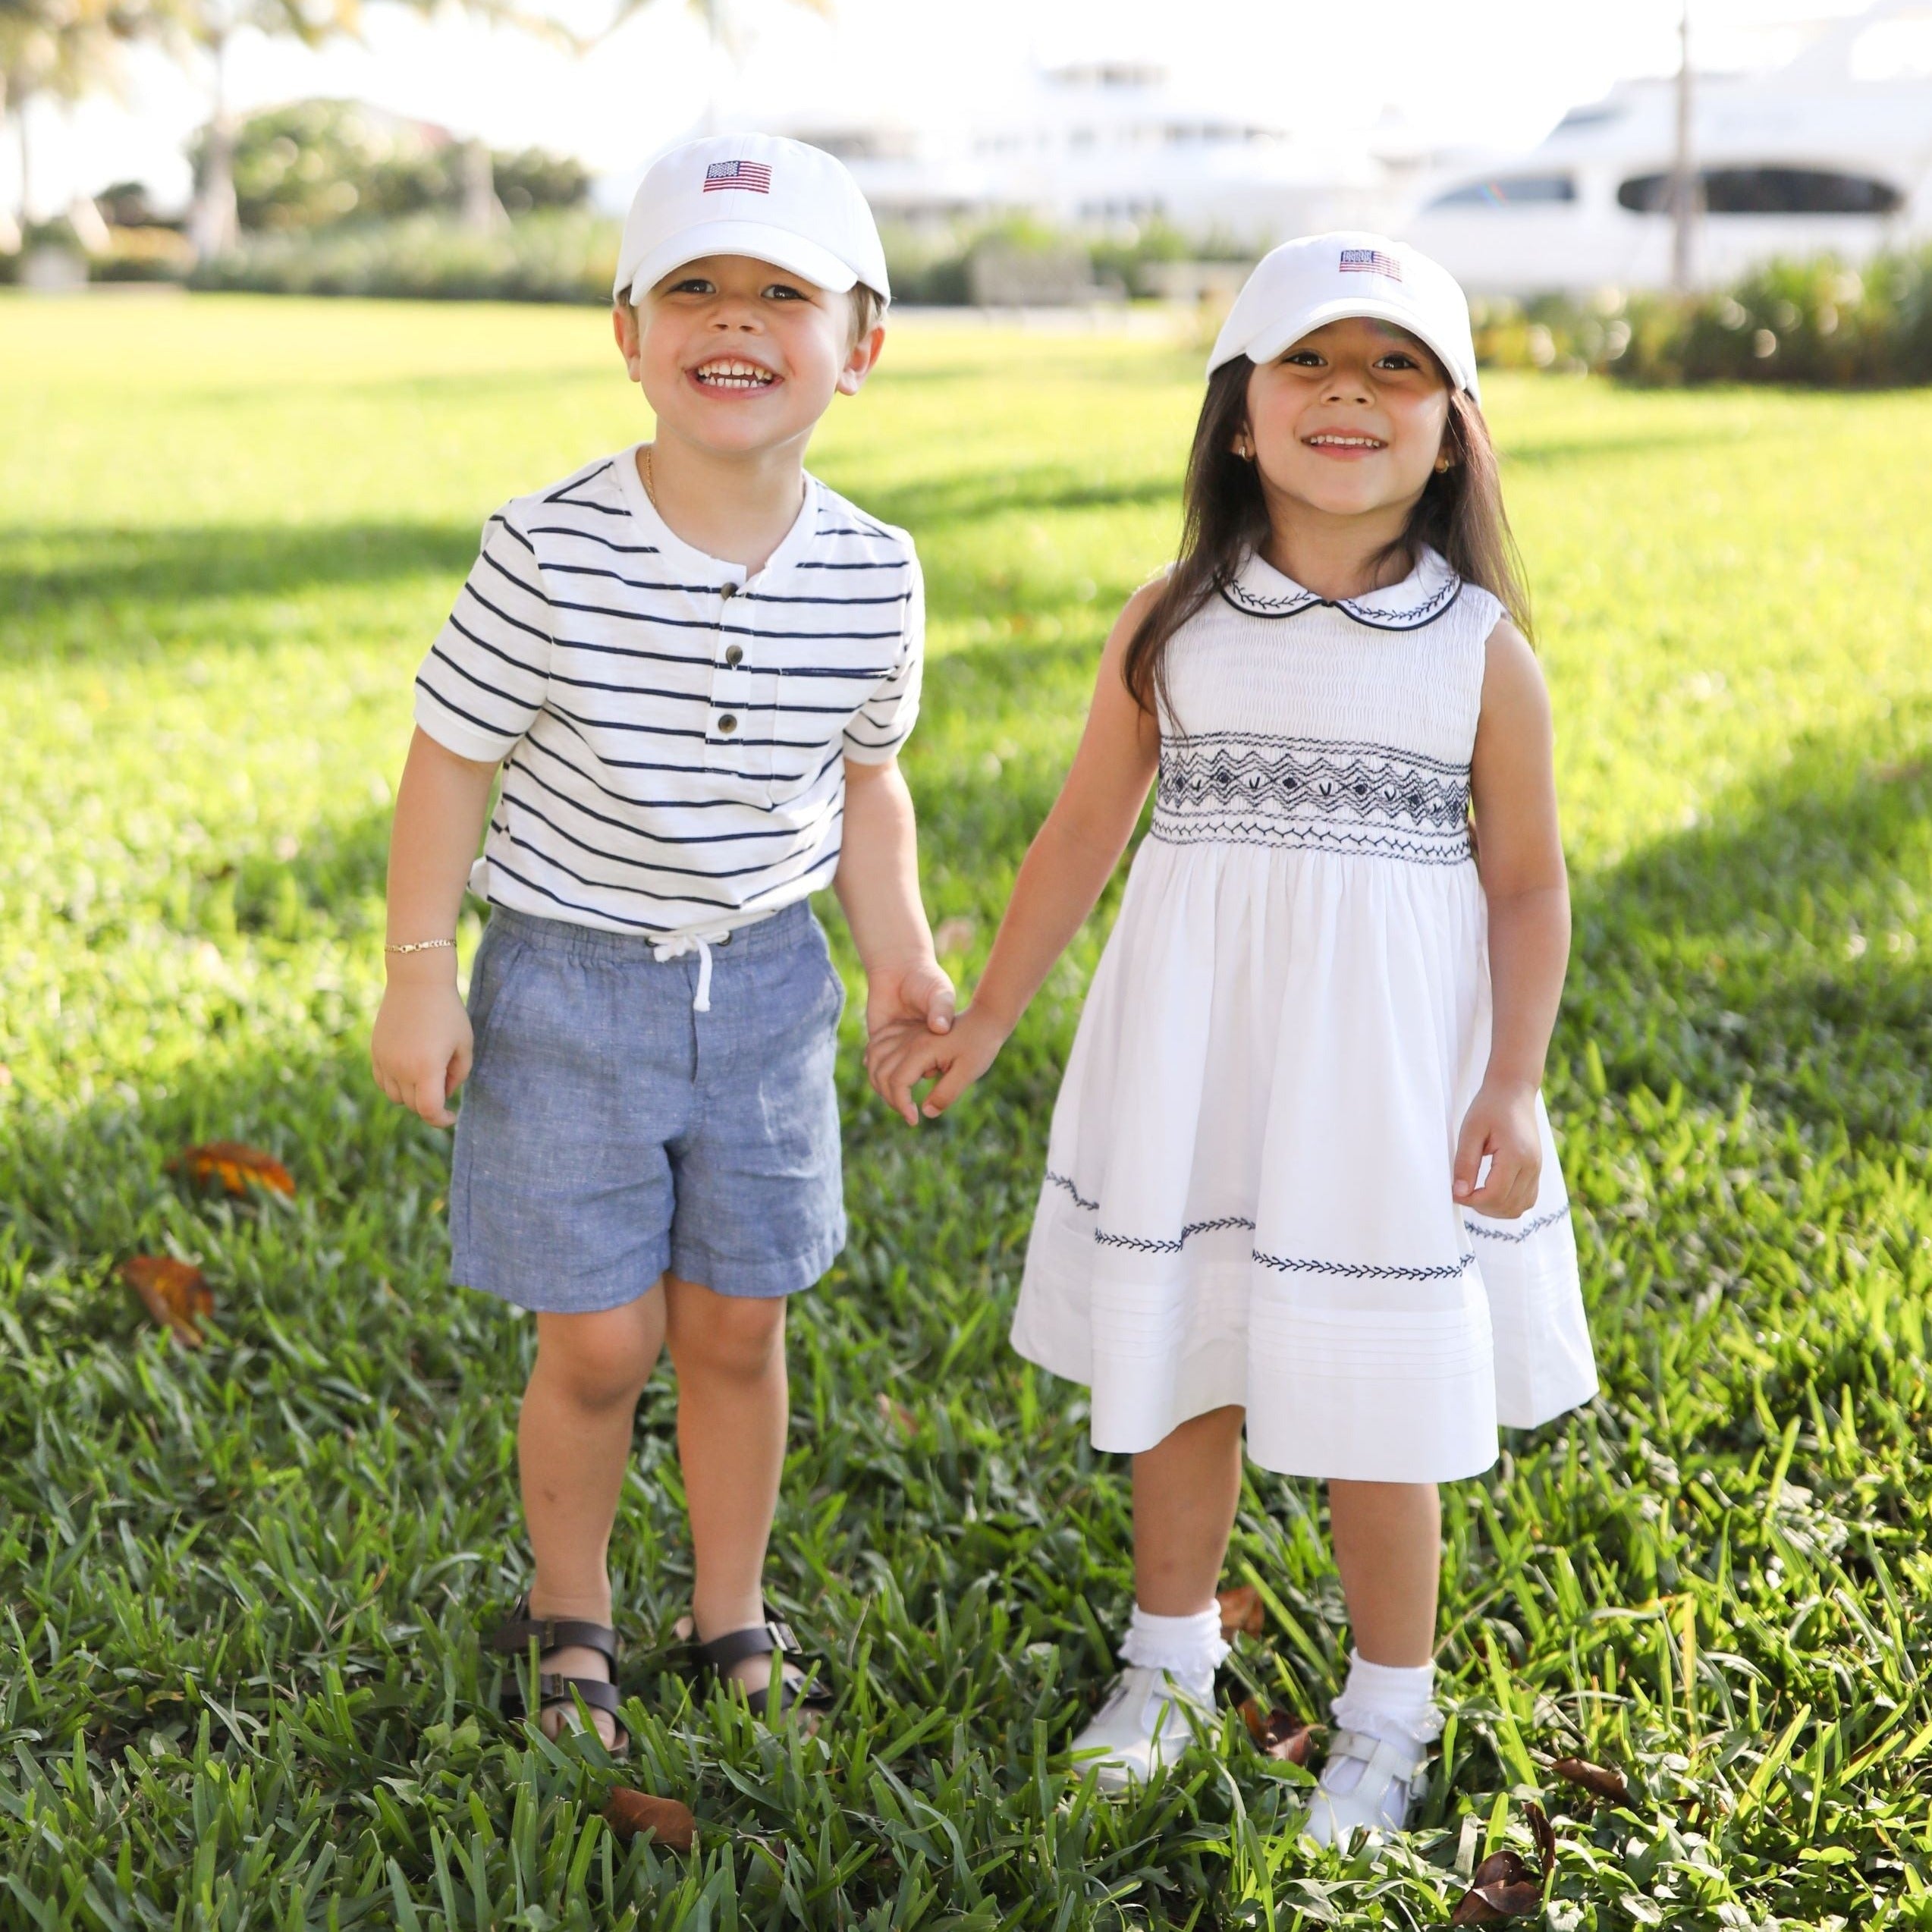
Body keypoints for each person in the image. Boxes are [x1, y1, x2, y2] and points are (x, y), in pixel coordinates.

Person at [871, 233, 1597, 1837]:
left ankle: (1387, 1709)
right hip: (1192, 1055)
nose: (1350, 392)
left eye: (1394, 367)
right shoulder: (1170, 621)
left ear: (1453, 427)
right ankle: (1168, 1656)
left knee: (1377, 1393)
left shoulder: (1479, 652)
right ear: (1235, 418)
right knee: (1183, 1354)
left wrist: (1513, 1078)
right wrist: (988, 1011)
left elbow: (1530, 883)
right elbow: (1074, 837)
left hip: (1380, 1083)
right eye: (1308, 364)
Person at [370, 134, 953, 1750]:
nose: (735, 322)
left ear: (862, 343)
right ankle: (573, 1612)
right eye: (691, 286)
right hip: (569, 979)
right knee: (602, 1334)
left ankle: (727, 1608)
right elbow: (450, 757)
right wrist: (419, 972)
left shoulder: (874, 571)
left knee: (737, 1321)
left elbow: (866, 780)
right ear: (627, 331)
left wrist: (896, 946)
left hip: (766, 989)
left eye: (783, 292)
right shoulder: (544, 546)